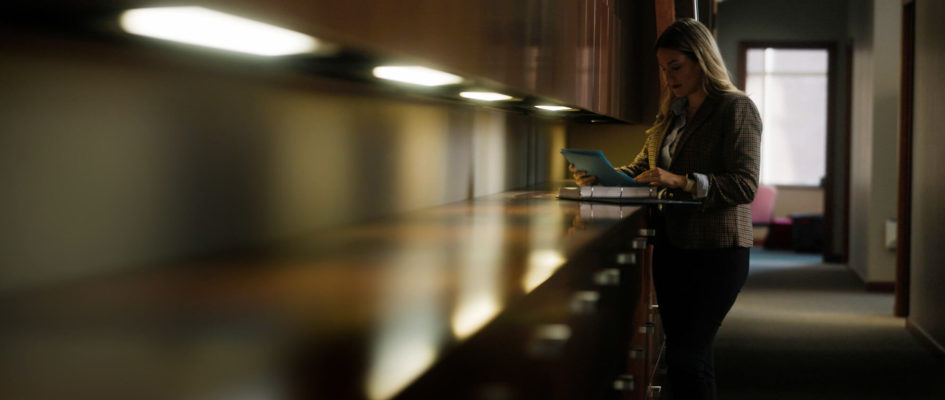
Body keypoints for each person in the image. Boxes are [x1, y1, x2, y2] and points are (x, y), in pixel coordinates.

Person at [571, 18, 761, 399]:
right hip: (673, 248)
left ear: (702, 60)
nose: (669, 76)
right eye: (663, 68)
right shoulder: (670, 115)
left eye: (676, 66)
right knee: (690, 357)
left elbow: (745, 184)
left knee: (687, 358)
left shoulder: (735, 109)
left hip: (717, 251)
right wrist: (600, 175)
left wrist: (682, 180)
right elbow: (642, 169)